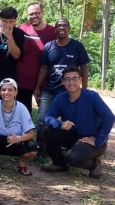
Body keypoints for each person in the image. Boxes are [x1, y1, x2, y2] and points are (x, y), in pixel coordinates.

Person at [41, 66, 115, 179]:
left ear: (80, 80)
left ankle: (94, 164)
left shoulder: (91, 96)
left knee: (73, 158)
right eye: (67, 79)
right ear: (63, 81)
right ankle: (59, 164)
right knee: (47, 130)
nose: (71, 82)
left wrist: (98, 140)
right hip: (74, 137)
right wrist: (60, 124)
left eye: (74, 78)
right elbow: (48, 116)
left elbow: (109, 117)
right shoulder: (61, 98)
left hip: (92, 140)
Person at [35, 18, 89, 151]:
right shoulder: (49, 46)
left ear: (69, 29)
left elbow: (84, 68)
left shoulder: (77, 46)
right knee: (42, 119)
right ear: (55, 30)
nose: (61, 28)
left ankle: (71, 148)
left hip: (69, 91)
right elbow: (44, 68)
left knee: (70, 121)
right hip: (49, 89)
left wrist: (84, 89)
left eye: (64, 25)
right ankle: (41, 148)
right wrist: (37, 87)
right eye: (58, 25)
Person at [16, 2, 55, 115]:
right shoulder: (22, 29)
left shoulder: (52, 32)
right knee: (22, 116)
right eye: (31, 14)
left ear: (42, 13)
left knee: (46, 117)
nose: (34, 16)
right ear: (27, 16)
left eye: (37, 13)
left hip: (44, 83)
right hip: (22, 82)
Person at [0, 7, 25, 82]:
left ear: (15, 21)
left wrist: (10, 37)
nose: (7, 24)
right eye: (5, 21)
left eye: (10, 21)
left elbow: (16, 56)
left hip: (11, 74)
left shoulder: (19, 33)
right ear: (0, 19)